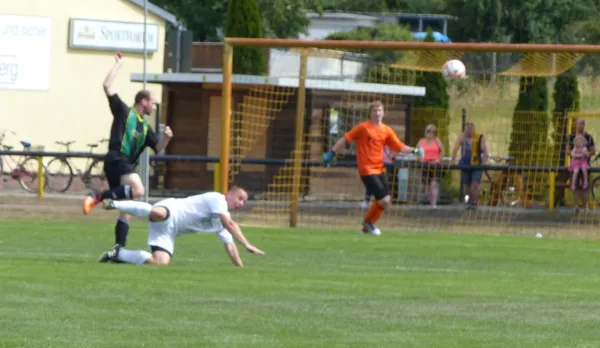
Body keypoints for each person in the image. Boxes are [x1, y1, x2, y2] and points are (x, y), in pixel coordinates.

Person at [83, 53, 173, 249]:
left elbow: (157, 148)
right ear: (143, 102)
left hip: (123, 165)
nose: (155, 106)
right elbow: (107, 86)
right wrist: (118, 64)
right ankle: (98, 195)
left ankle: (118, 249)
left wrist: (166, 138)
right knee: (139, 189)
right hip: (117, 158)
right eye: (153, 103)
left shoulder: (146, 128)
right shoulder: (124, 111)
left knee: (127, 209)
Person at [321, 101, 424, 236]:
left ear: (383, 113)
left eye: (379, 110)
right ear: (370, 113)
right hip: (366, 169)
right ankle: (368, 222)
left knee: (385, 201)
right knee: (383, 200)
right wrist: (332, 153)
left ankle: (366, 227)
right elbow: (346, 138)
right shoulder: (363, 127)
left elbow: (399, 146)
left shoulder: (386, 130)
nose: (377, 113)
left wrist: (415, 150)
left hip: (379, 169)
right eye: (374, 110)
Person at [98, 186, 264, 267]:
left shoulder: (220, 221)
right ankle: (114, 203)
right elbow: (231, 224)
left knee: (160, 262)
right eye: (240, 198)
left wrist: (240, 268)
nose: (241, 203)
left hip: (170, 231)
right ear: (229, 193)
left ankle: (119, 253)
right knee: (158, 213)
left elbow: (230, 246)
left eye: (244, 201)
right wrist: (247, 244)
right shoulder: (217, 199)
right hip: (172, 210)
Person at [451, 122, 488, 209]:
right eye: (467, 129)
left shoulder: (479, 138)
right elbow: (455, 149)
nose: (469, 131)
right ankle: (468, 202)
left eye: (471, 129)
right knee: (466, 184)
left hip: (476, 163)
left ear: (474, 130)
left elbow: (485, 150)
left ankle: (475, 202)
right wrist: (453, 160)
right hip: (465, 163)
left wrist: (485, 161)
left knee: (475, 184)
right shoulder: (462, 137)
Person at [568, 118, 596, 213]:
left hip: (585, 164)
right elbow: (567, 150)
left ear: (584, 125)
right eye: (578, 124)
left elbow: (593, 151)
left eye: (581, 124)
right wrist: (573, 153)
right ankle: (576, 206)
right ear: (576, 125)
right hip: (575, 164)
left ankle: (586, 206)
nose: (579, 126)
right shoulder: (571, 137)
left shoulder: (589, 137)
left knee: (585, 185)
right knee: (575, 185)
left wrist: (586, 153)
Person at [418, 124, 445, 208]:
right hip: (425, 165)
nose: (430, 133)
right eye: (428, 131)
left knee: (434, 183)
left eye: (432, 132)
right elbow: (417, 151)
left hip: (435, 165)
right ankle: (431, 203)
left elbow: (442, 151)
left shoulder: (437, 141)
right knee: (429, 185)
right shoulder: (421, 141)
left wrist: (438, 159)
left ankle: (434, 204)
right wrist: (420, 158)